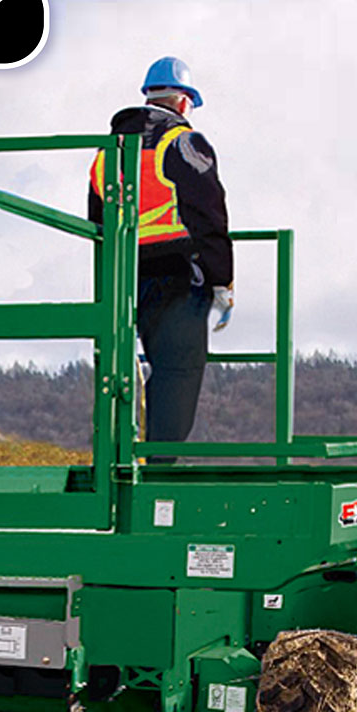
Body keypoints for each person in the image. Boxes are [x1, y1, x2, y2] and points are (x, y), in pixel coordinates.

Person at [86, 56, 234, 455]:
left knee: (118, 374)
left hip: (125, 279)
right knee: (177, 373)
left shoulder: (107, 153)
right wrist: (222, 281)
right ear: (184, 101)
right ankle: (159, 469)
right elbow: (209, 214)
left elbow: (97, 222)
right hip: (179, 279)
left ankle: (116, 459)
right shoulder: (183, 142)